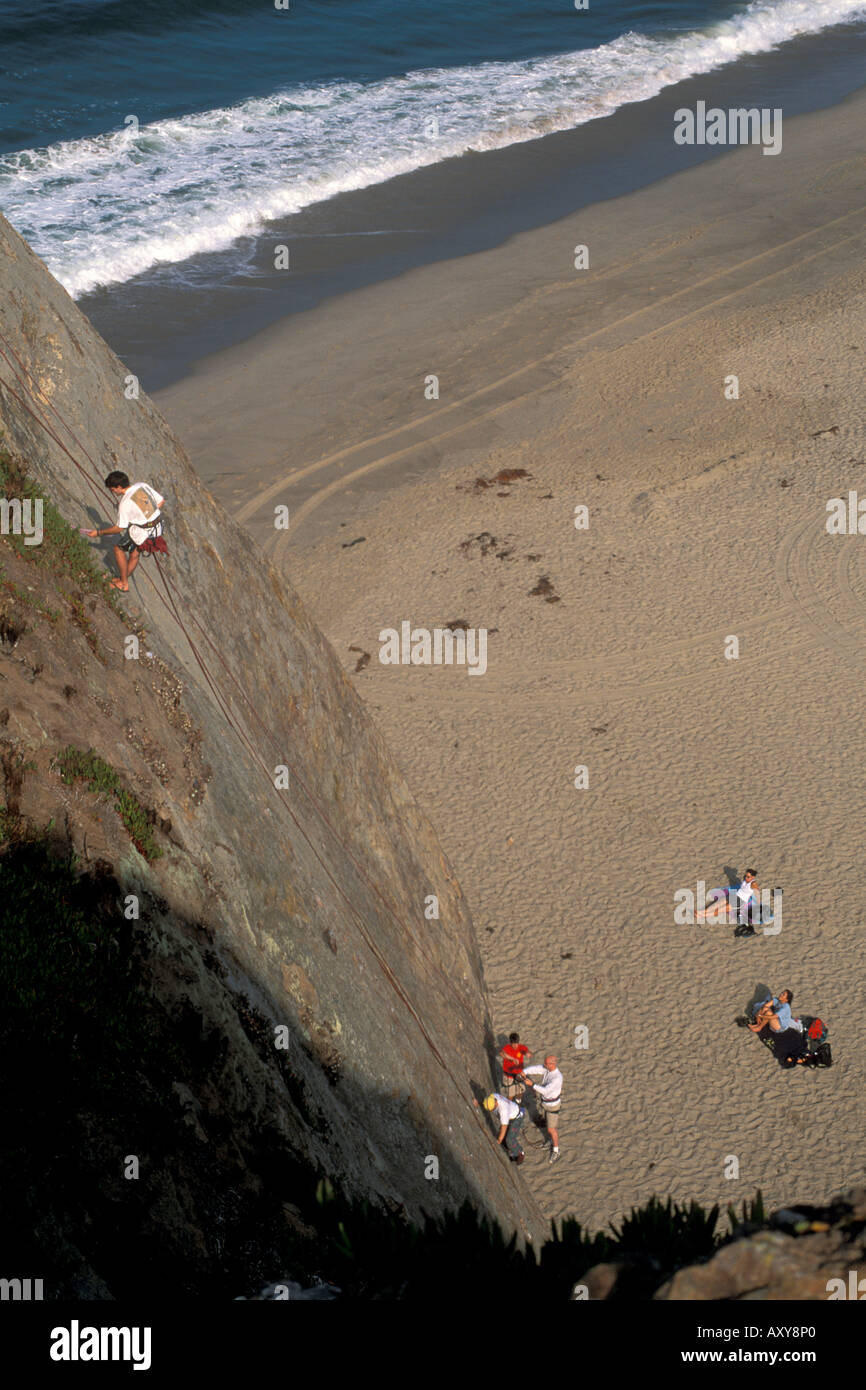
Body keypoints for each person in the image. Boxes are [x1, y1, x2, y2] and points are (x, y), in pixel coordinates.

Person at [86, 471, 166, 592]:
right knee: (134, 554)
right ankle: (121, 579)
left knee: (118, 550)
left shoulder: (125, 503)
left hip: (141, 533)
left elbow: (119, 528)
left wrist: (98, 533)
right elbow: (161, 501)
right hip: (156, 528)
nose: (112, 492)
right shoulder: (141, 485)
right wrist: (144, 515)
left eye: (113, 489)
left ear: (119, 487)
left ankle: (123, 583)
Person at [521, 1054, 563, 1164]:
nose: (544, 1065)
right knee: (548, 1124)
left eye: (546, 1064)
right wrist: (525, 1071)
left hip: (552, 1105)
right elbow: (537, 1069)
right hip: (546, 1104)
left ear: (552, 1064)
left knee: (551, 1129)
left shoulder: (557, 1078)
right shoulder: (547, 1069)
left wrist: (532, 1084)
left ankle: (556, 1150)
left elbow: (546, 1091)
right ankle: (550, 1141)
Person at [482, 1092, 525, 1164]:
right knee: (504, 1139)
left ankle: (520, 1153)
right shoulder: (492, 1097)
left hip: (517, 1118)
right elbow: (485, 1101)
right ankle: (510, 1150)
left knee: (509, 1139)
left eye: (492, 1109)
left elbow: (504, 1127)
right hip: (512, 1113)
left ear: (496, 1103)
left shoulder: (503, 1110)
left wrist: (498, 1141)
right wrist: (479, 1102)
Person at [499, 1032, 532, 1100]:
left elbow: (528, 1052)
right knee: (510, 1094)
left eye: (516, 1044)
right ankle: (510, 1104)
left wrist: (528, 1053)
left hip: (519, 1074)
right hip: (508, 1075)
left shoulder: (521, 1047)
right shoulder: (507, 1048)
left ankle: (518, 1101)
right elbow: (502, 1053)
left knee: (520, 1091)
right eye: (513, 1044)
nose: (515, 1046)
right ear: (510, 1042)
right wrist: (512, 1059)